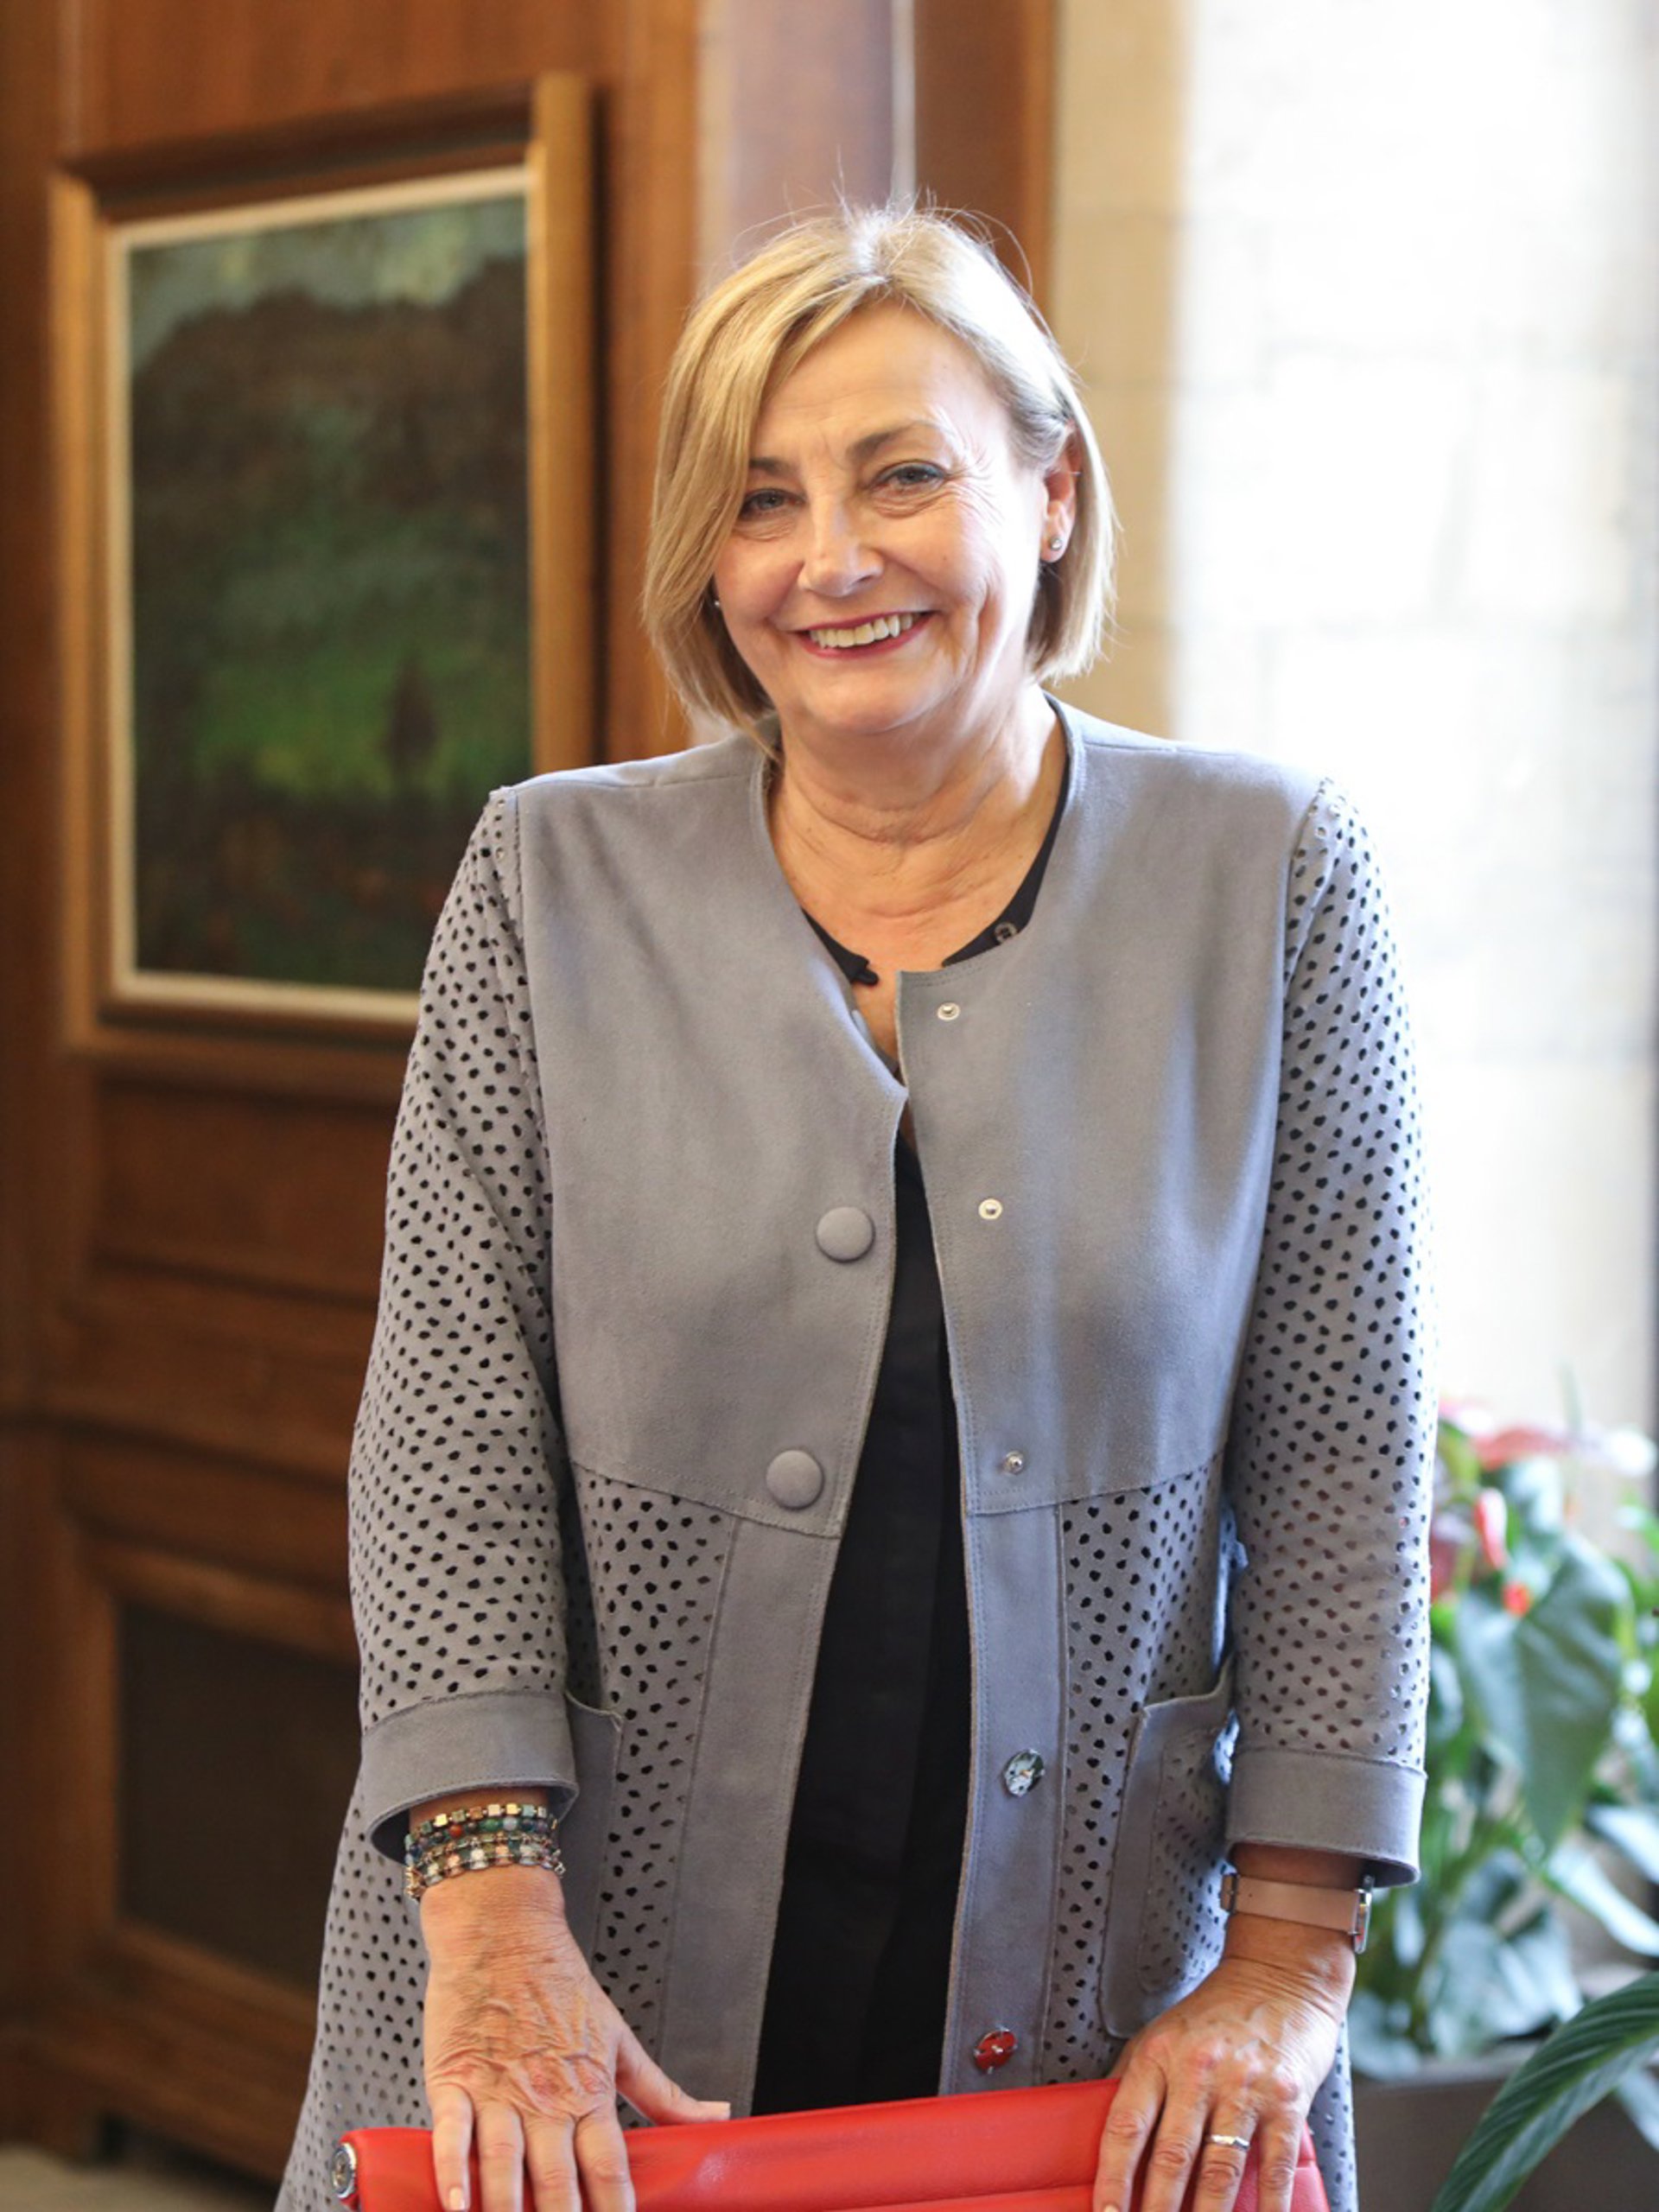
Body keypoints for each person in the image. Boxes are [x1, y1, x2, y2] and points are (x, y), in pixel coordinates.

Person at [279, 205, 1432, 2212]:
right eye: (761, 498)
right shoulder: (544, 884)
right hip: (558, 1999)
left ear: (1049, 494)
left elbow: (1345, 1456)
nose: (831, 558)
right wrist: (488, 1911)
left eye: (903, 475)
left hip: (1098, 2029)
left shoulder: (1278, 881)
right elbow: (448, 1437)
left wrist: (1287, 1959)